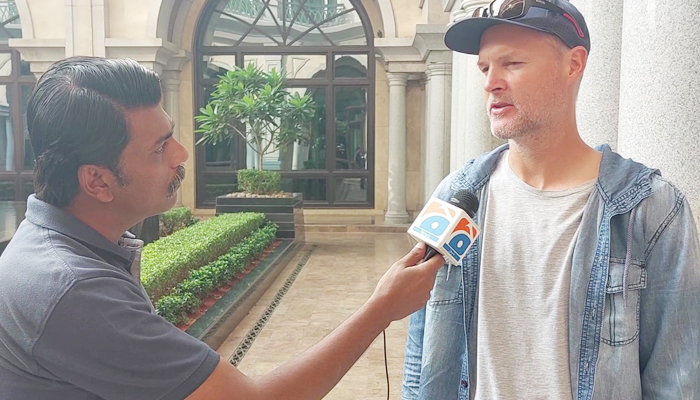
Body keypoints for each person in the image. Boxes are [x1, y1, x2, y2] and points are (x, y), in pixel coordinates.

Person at [0, 56, 445, 400]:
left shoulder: (65, 246)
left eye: (170, 134)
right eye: (158, 149)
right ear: (96, 180)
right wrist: (381, 309)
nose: (181, 154)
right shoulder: (72, 289)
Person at [402, 1, 700, 399]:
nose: (491, 82)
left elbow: (676, 380)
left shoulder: (652, 210)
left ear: (573, 64)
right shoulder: (456, 196)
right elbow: (421, 353)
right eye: (485, 67)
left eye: (512, 63)